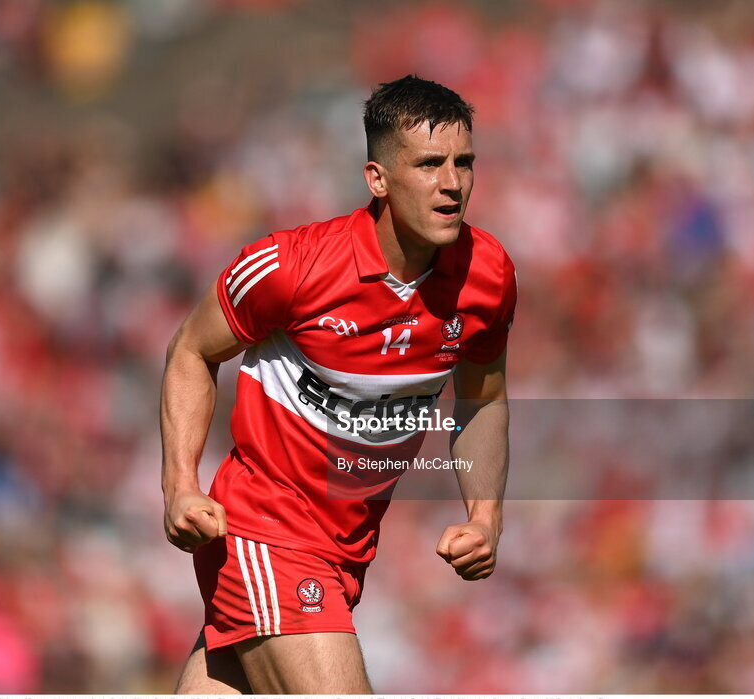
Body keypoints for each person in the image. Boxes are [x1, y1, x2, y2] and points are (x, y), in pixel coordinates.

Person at [160, 75, 517, 694]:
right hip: (263, 526)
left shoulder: (487, 275)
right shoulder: (291, 268)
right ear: (377, 179)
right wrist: (179, 485)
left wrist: (485, 517)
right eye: (430, 164)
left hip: (344, 552)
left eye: (464, 163)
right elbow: (191, 350)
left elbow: (482, 399)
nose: (452, 183)